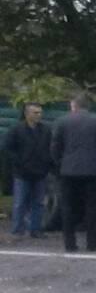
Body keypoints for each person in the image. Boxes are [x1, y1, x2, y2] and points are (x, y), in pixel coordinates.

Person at [51, 93, 96, 253]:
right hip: (92, 170)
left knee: (67, 207)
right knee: (92, 207)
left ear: (74, 106)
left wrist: (60, 164)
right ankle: (92, 243)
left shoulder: (62, 121)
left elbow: (55, 147)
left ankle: (70, 244)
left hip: (68, 170)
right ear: (89, 106)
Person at [3, 102, 54, 239]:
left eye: (40, 112)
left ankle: (35, 229)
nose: (39, 115)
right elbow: (8, 149)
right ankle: (17, 230)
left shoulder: (46, 130)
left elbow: (50, 149)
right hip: (22, 172)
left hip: (40, 172)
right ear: (27, 114)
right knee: (20, 202)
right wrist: (19, 163)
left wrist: (47, 164)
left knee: (39, 203)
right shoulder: (16, 130)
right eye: (35, 112)